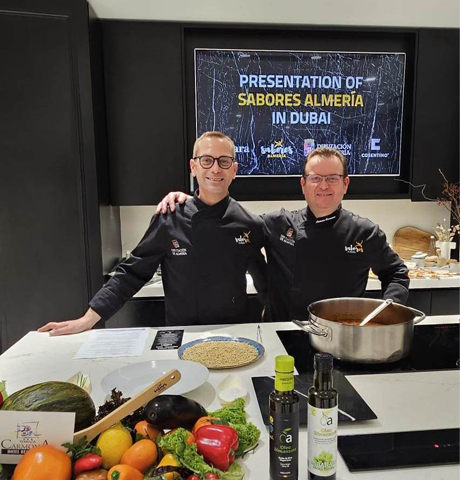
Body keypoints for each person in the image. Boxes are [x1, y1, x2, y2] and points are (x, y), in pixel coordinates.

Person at [39, 131, 267, 335]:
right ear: (193, 167)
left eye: (224, 161)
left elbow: (266, 283)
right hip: (181, 336)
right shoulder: (168, 218)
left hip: (233, 336)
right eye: (206, 160)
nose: (215, 169)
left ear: (234, 170)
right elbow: (132, 273)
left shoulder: (249, 223)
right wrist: (87, 320)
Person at [156, 146, 410, 322]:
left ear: (345, 184)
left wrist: (385, 310)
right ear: (303, 184)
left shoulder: (365, 232)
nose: (323, 186)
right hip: (283, 333)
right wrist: (191, 202)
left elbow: (396, 273)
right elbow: (231, 225)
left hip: (342, 338)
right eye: (315, 178)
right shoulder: (278, 224)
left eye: (332, 178)